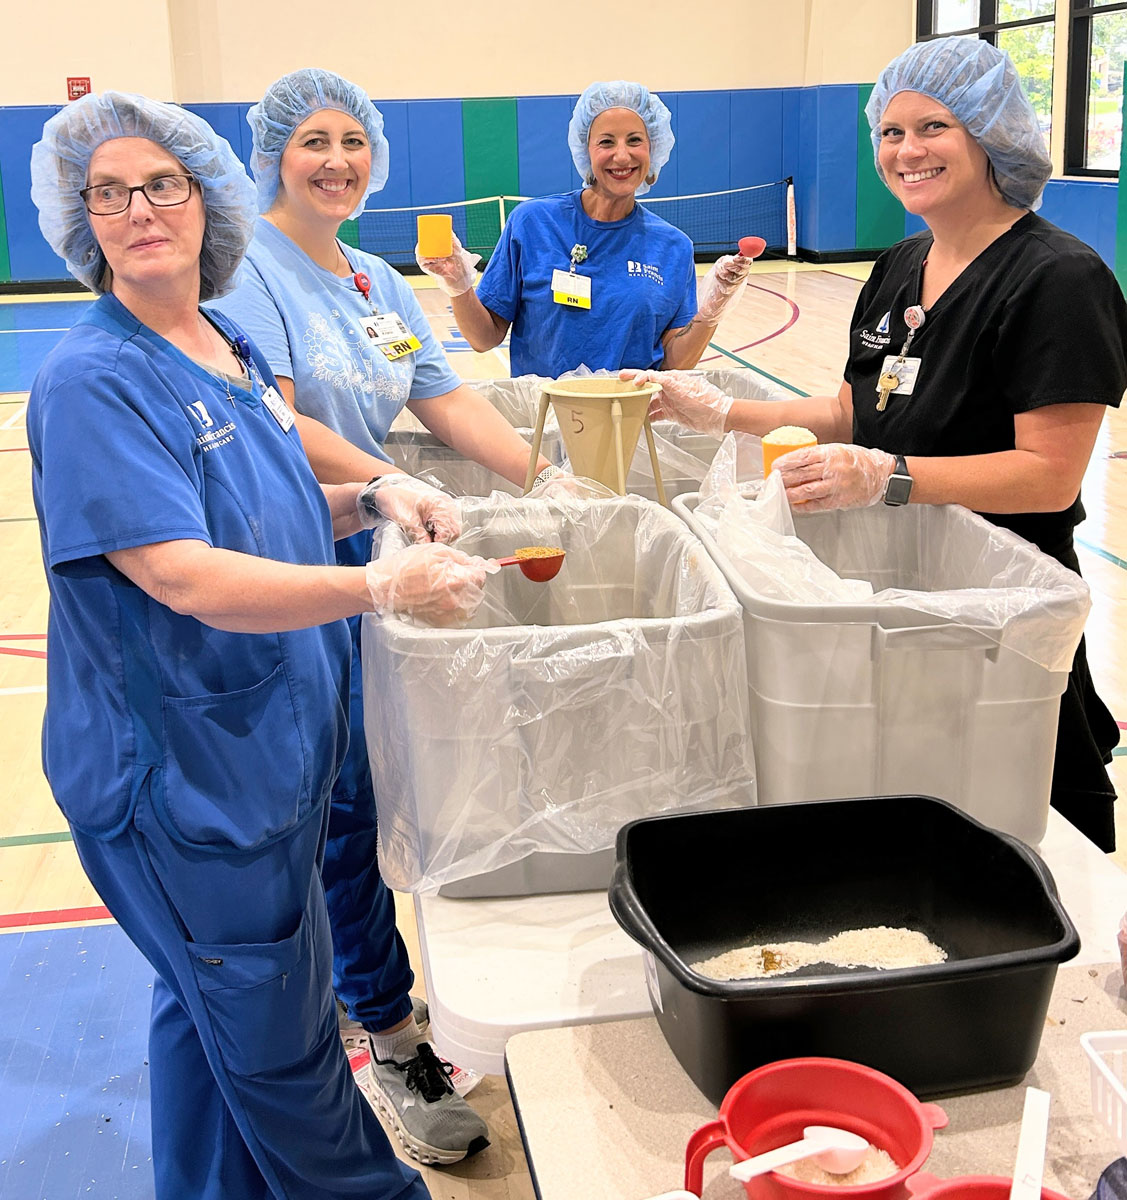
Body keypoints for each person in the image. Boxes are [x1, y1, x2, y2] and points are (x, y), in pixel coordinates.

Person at [27, 90, 492, 1199]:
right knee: (283, 1055)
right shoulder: (95, 380)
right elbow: (185, 575)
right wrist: (381, 585)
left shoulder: (221, 340)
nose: (138, 208)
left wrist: (377, 492)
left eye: (162, 184)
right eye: (108, 192)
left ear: (204, 198)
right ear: (78, 218)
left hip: (261, 756)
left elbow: (268, 506)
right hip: (182, 787)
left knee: (212, 1011)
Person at [628, 37, 1127, 852]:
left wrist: (890, 478)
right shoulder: (900, 265)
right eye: (889, 133)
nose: (905, 150)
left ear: (990, 134)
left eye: (932, 127)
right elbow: (856, 411)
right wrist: (722, 413)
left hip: (1001, 611)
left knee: (1018, 826)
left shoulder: (1057, 280)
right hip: (892, 590)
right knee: (904, 812)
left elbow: (1047, 476)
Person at [215, 68, 544, 1165]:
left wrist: (549, 478)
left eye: (353, 142)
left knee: (380, 787)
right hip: (293, 566)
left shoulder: (370, 280)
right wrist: (390, 486)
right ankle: (383, 1031)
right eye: (313, 141)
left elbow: (442, 396)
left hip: (381, 563)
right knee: (339, 805)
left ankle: (368, 996)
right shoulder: (246, 270)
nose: (337, 161)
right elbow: (275, 420)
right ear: (274, 155)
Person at [417, 79, 756, 377]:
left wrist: (711, 312)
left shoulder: (673, 246)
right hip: (544, 422)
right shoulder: (533, 223)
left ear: (653, 149)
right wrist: (457, 284)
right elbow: (483, 337)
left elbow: (675, 363)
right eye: (606, 142)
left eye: (635, 140)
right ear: (586, 150)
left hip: (632, 421)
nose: (622, 156)